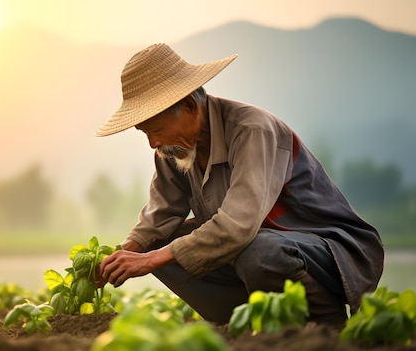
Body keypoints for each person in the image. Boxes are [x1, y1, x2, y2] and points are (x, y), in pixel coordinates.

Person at [95, 43, 384, 327]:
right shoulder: (173, 149)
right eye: (146, 133)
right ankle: (241, 321)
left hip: (326, 248)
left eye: (157, 130)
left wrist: (148, 261)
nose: (153, 143)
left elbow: (237, 227)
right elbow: (160, 215)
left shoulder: (251, 130)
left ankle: (326, 323)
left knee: (259, 252)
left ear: (189, 106)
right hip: (257, 247)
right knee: (155, 245)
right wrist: (123, 254)